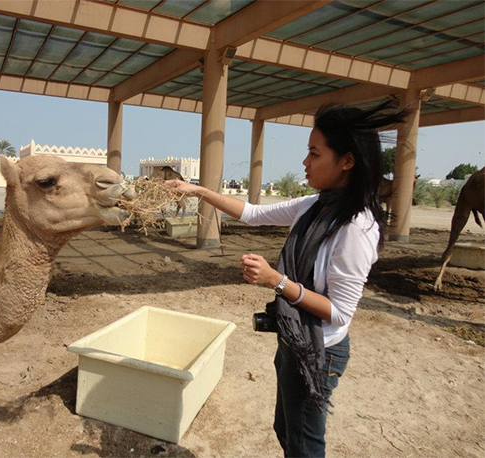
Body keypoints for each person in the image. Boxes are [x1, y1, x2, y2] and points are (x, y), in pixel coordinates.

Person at [167, 101, 407, 457]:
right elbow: (252, 213)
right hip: (295, 340)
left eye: (314, 153)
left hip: (320, 352)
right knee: (286, 429)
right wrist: (198, 191)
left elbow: (340, 312)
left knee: (305, 446)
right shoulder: (314, 205)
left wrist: (276, 281)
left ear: (347, 161)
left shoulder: (356, 228)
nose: (305, 163)